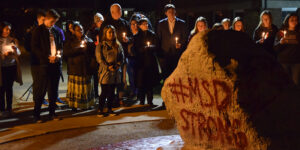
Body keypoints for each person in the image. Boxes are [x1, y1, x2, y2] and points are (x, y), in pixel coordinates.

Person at [31, 9, 63, 122]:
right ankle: (36, 115)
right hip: (44, 65)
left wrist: (58, 56)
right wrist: (46, 57)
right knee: (41, 91)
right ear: (47, 19)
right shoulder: (38, 31)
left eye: (55, 22)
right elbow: (34, 48)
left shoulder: (56, 31)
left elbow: (60, 46)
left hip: (55, 64)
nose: (53, 24)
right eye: (52, 21)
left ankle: (52, 113)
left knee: (53, 91)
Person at [100, 3, 129, 106]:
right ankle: (110, 99)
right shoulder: (106, 24)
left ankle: (120, 97)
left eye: (120, 10)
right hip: (109, 57)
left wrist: (127, 39)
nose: (120, 13)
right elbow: (102, 41)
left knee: (121, 79)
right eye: (117, 11)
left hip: (122, 55)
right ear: (112, 12)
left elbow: (130, 36)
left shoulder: (125, 23)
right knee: (110, 80)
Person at [64, 22, 96, 112]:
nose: (80, 31)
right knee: (75, 89)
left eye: (81, 29)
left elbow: (93, 53)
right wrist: (79, 49)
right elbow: (66, 53)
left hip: (87, 68)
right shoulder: (69, 41)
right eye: (78, 30)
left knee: (86, 88)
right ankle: (74, 105)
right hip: (75, 69)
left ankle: (87, 104)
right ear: (73, 31)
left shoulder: (88, 40)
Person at [96, 25, 124, 117]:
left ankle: (109, 109)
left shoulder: (118, 44)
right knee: (104, 91)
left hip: (115, 71)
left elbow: (122, 57)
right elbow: (99, 59)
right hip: (105, 71)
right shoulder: (101, 45)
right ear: (105, 34)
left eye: (113, 32)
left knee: (112, 91)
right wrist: (108, 67)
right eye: (109, 32)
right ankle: (100, 109)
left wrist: (118, 65)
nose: (111, 34)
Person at [132, 18, 160, 105]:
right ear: (140, 26)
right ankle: (141, 100)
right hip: (141, 62)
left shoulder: (152, 34)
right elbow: (135, 49)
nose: (146, 26)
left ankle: (150, 100)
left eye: (147, 24)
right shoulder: (136, 36)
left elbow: (156, 46)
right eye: (144, 24)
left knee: (149, 82)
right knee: (141, 82)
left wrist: (150, 47)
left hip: (150, 61)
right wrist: (142, 49)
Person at [156, 4, 188, 80]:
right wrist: (159, 52)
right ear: (166, 13)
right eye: (170, 12)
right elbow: (158, 38)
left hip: (177, 53)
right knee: (166, 74)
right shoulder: (161, 24)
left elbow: (185, 37)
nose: (172, 13)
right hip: (165, 53)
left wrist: (181, 44)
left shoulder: (182, 23)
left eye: (173, 11)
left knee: (176, 73)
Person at [0, 22, 22, 117]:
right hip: (2, 68)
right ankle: (2, 109)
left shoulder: (13, 40)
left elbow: (19, 53)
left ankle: (9, 108)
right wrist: (3, 55)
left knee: (9, 88)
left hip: (12, 66)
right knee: (1, 89)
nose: (8, 31)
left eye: (9, 29)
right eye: (6, 29)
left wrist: (15, 49)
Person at [274, 13, 300, 86]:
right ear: (287, 21)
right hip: (284, 61)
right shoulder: (281, 33)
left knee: (295, 82)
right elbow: (275, 48)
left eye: (296, 20)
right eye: (292, 20)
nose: (294, 22)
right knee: (284, 82)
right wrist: (280, 43)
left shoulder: (298, 32)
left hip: (296, 62)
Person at [86, 12, 104, 99]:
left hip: (102, 57)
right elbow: (89, 44)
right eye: (100, 21)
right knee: (95, 78)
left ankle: (102, 94)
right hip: (94, 58)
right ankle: (95, 94)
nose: (102, 23)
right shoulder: (90, 32)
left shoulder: (103, 30)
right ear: (96, 22)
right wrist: (95, 44)